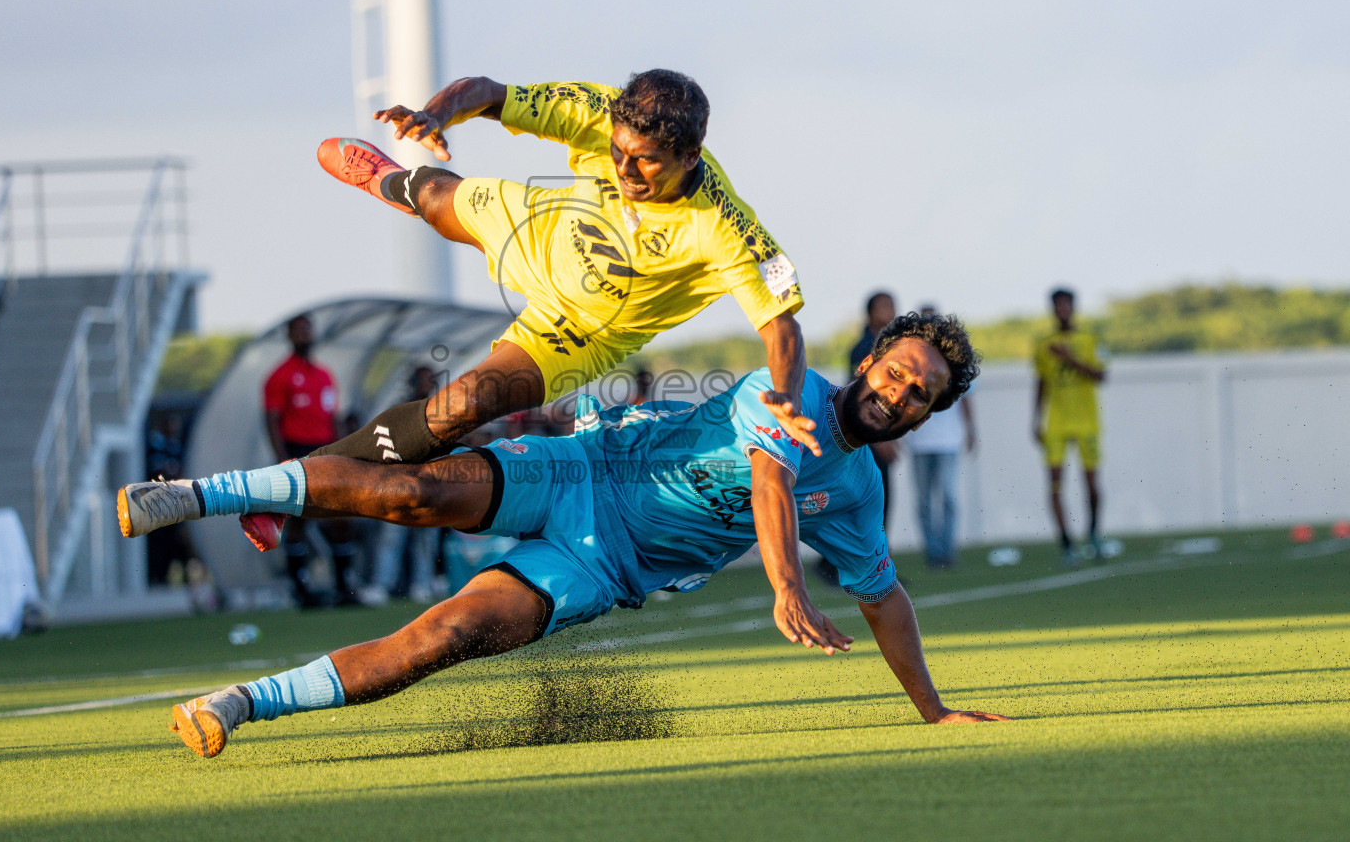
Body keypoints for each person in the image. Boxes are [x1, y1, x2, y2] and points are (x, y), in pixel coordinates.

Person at [116, 312, 1008, 758]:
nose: (899, 390)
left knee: (445, 638)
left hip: (601, 565)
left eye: (919, 391)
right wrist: (784, 585)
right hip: (583, 471)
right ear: (869, 361)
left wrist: (931, 708)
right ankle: (197, 494)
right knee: (412, 494)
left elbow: (885, 599)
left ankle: (237, 703)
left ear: (925, 415)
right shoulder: (796, 392)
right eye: (897, 369)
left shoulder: (855, 491)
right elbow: (770, 477)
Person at [239, 71, 813, 554]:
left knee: (458, 407)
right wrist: (436, 114)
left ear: (690, 156)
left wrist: (784, 398)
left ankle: (287, 491)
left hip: (581, 329)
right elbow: (487, 91)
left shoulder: (726, 228)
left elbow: (780, 325)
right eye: (617, 153)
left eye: (647, 162)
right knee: (436, 201)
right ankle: (394, 178)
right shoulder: (598, 109)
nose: (626, 171)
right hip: (544, 230)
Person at [262, 314, 341, 606]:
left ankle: (344, 586)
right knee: (297, 519)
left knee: (340, 514)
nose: (306, 334)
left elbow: (335, 418)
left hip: (325, 450)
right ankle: (300, 588)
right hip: (296, 451)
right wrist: (283, 460)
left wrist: (346, 450)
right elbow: (271, 420)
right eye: (300, 330)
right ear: (290, 335)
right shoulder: (279, 375)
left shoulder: (324, 375)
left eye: (309, 328)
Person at [359, 366, 445, 607]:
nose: (427, 384)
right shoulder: (400, 410)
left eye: (430, 380)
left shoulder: (440, 410)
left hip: (430, 483)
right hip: (400, 482)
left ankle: (421, 584)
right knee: (392, 537)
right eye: (423, 380)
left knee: (425, 540)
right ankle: (381, 585)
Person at [1032, 287, 1107, 564]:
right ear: (1052, 309)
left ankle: (1094, 534)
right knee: (1054, 485)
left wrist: (1068, 357)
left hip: (1087, 420)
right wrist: (1035, 418)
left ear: (1073, 307)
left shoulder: (1089, 338)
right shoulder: (1043, 343)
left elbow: (1100, 374)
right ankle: (1066, 544)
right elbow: (1040, 381)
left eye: (1067, 305)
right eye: (1058, 305)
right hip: (1056, 422)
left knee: (1092, 484)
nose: (1062, 310)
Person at [907, 305, 976, 568]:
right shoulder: (910, 356)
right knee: (924, 500)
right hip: (919, 440)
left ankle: (946, 550)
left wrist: (970, 430)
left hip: (948, 440)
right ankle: (933, 552)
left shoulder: (953, 355)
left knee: (947, 497)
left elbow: (966, 397)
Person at [849, 292, 900, 532]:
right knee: (872, 500)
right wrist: (878, 439)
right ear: (870, 312)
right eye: (885, 306)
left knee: (881, 500)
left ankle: (877, 562)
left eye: (892, 305)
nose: (891, 310)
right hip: (867, 438)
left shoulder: (890, 347)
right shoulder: (863, 349)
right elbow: (860, 397)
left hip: (879, 434)